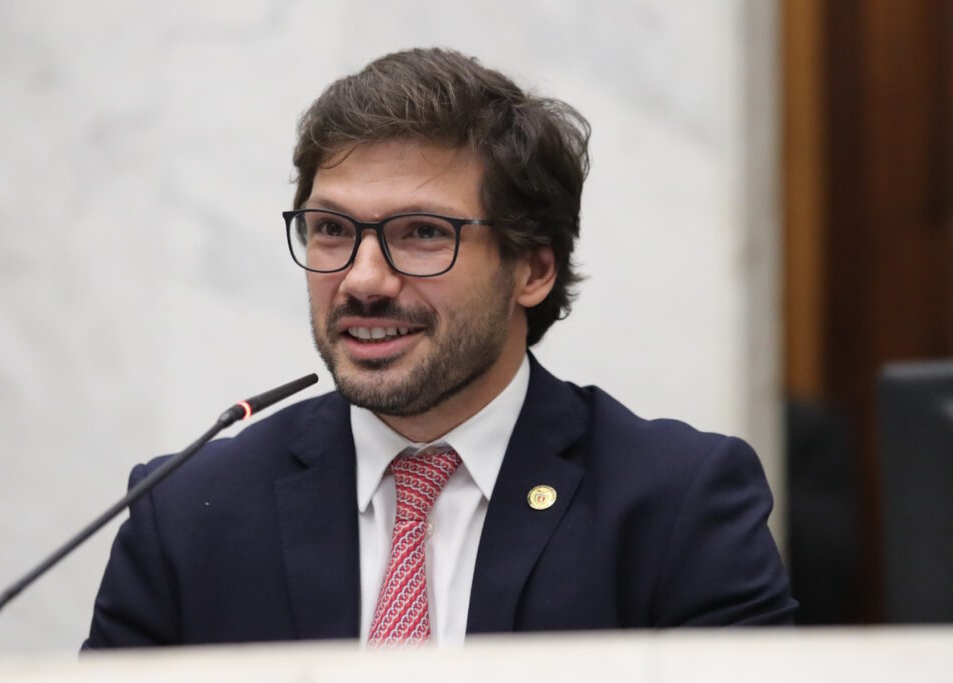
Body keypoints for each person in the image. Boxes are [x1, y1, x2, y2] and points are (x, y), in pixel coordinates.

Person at [84, 48, 796, 649]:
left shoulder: (677, 506)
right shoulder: (184, 510)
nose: (362, 280)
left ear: (532, 267)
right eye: (331, 228)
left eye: (422, 233)